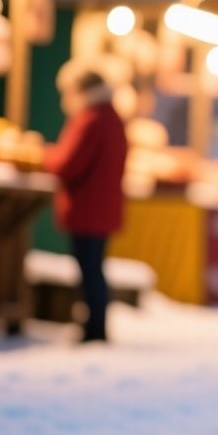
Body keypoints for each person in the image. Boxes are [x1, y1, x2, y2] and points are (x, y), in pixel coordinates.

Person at [46, 68, 129, 344]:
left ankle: (94, 328)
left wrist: (43, 155)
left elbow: (68, 165)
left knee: (89, 270)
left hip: (88, 208)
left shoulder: (90, 120)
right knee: (95, 269)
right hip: (103, 208)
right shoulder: (112, 118)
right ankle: (96, 325)